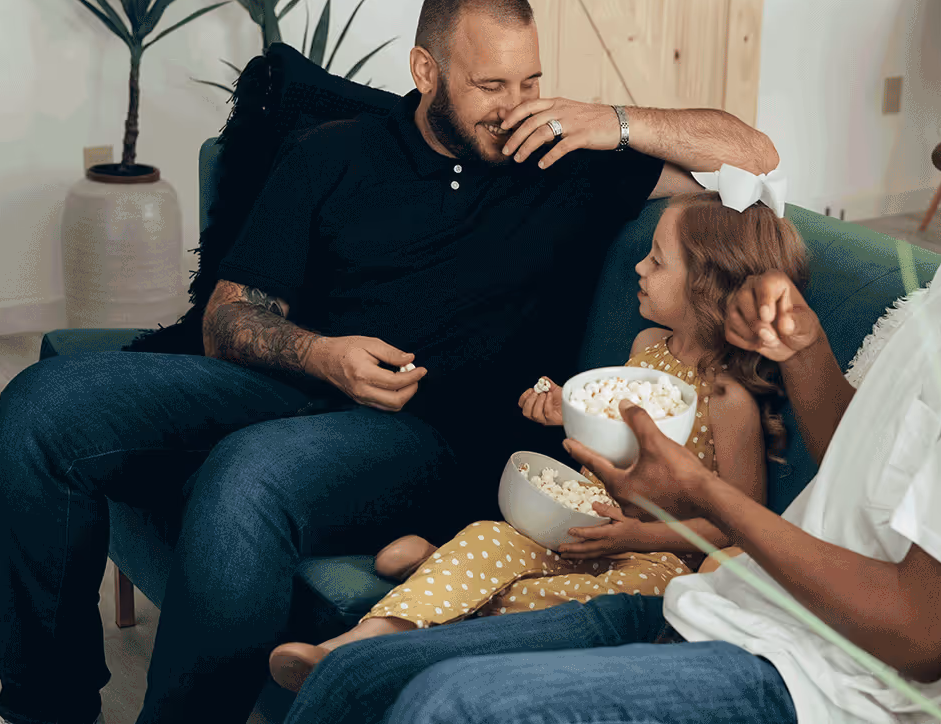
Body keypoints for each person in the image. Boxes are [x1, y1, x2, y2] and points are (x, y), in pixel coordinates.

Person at [278, 15, 941, 724]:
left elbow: (927, 634)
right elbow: (862, 469)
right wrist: (803, 353)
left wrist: (705, 499)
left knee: (451, 707)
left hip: (807, 684)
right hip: (725, 608)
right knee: (367, 665)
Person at [0, 0, 778, 724]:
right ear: (425, 70)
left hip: (435, 438)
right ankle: (43, 705)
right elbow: (229, 320)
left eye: (529, 82)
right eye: (490, 86)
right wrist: (320, 355)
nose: (515, 107)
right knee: (41, 405)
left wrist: (617, 121)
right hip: (294, 382)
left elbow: (754, 156)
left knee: (249, 472)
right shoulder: (333, 154)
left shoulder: (568, 164)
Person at [266, 188, 810, 691]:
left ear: (705, 286)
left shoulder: (727, 399)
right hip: (577, 525)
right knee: (491, 535)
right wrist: (566, 411)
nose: (639, 267)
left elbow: (738, 526)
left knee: (588, 602)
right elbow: (613, 432)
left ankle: (437, 576)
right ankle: (343, 649)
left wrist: (636, 539)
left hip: (655, 557)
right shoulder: (648, 346)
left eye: (657, 260)